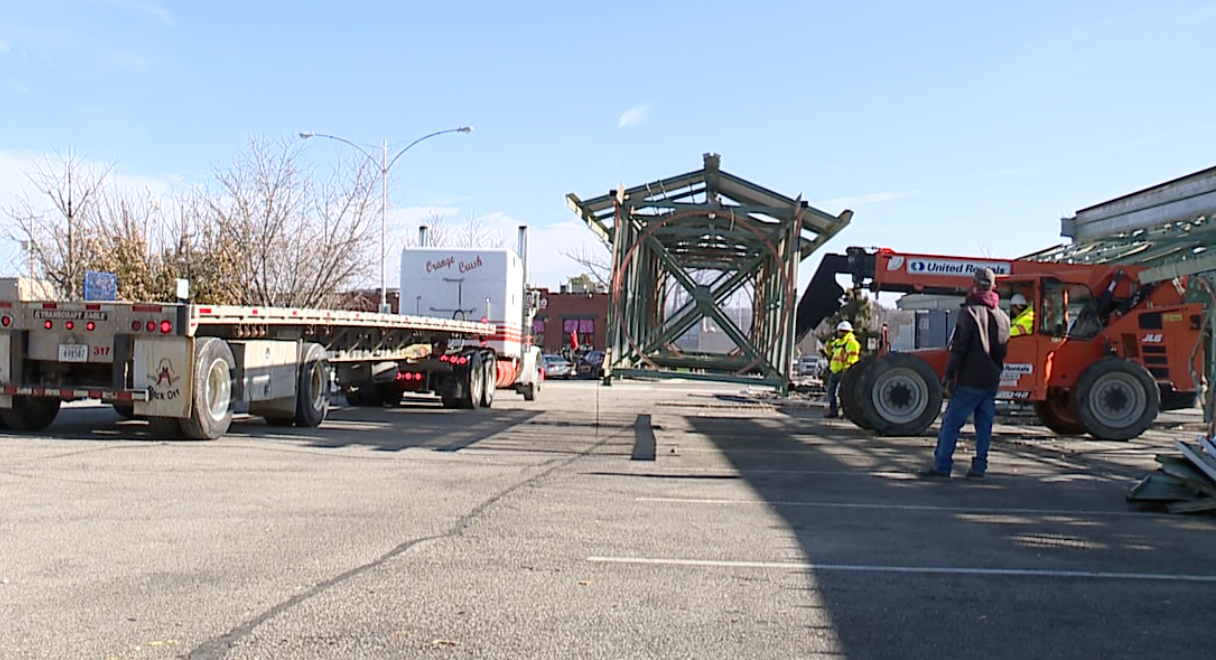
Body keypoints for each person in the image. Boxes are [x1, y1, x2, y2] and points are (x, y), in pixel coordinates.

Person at [920, 267, 1011, 479]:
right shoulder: (1003, 318)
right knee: (984, 426)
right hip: (991, 379)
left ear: (974, 284)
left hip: (970, 379)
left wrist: (949, 376)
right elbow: (1003, 350)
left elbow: (959, 348)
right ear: (993, 287)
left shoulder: (969, 312)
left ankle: (942, 466)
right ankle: (979, 467)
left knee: (951, 423)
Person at [823, 320, 861, 418]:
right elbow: (830, 352)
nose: (838, 333)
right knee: (831, 392)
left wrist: (847, 370)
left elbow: (852, 358)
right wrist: (828, 345)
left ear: (844, 332)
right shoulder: (838, 342)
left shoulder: (852, 343)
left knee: (844, 394)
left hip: (844, 372)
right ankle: (833, 412)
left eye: (839, 331)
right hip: (835, 371)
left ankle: (846, 413)